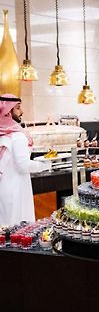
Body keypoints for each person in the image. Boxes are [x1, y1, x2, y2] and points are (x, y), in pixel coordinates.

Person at [0, 93, 49, 226]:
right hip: (16, 191)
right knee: (19, 232)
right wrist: (47, 164)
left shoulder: (3, 134)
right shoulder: (17, 136)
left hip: (4, 190)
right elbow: (23, 165)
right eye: (18, 108)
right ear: (8, 111)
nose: (22, 111)